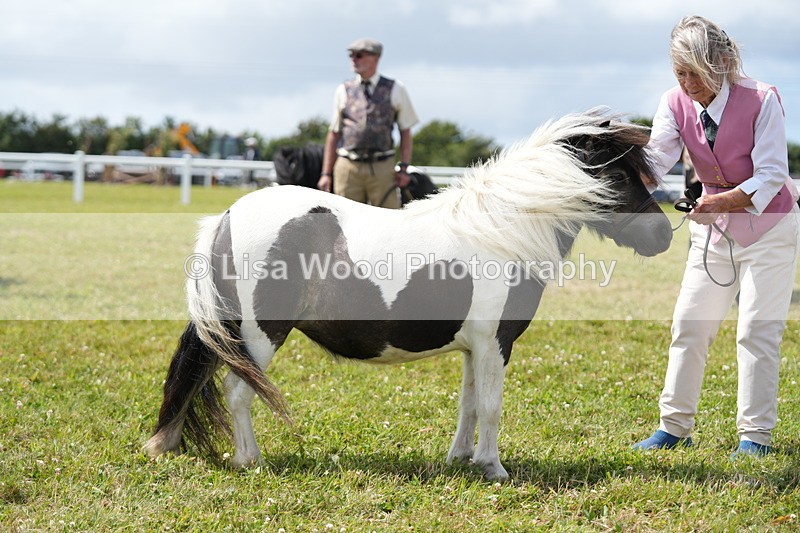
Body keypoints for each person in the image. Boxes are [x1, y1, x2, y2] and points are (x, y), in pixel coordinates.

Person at [633, 15, 799, 458]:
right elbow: (655, 162)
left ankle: (755, 436)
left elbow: (770, 175)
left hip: (771, 230)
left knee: (756, 332)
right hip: (714, 233)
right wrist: (614, 186)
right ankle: (673, 427)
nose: (687, 83)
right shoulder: (673, 101)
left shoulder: (763, 99)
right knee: (688, 325)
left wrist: (717, 203)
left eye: (695, 72)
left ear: (722, 63)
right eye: (679, 72)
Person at [317, 38, 419, 208]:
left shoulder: (395, 88)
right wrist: (326, 173)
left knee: (389, 219)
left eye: (359, 55)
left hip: (382, 167)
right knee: (344, 220)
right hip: (348, 166)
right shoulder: (343, 89)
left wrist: (403, 168)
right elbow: (334, 133)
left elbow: (405, 130)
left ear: (375, 58)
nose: (353, 60)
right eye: (351, 55)